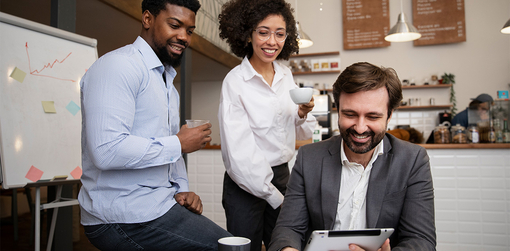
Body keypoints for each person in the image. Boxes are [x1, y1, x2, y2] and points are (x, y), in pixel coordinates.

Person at [78, 0, 231, 250]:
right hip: (122, 216)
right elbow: (105, 151)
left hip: (159, 205)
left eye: (190, 31)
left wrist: (181, 190)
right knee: (228, 247)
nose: (183, 37)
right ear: (148, 19)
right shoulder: (117, 66)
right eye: (175, 25)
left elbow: (170, 151)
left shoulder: (167, 85)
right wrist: (178, 143)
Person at [269, 62, 436, 251]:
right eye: (350, 114)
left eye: (373, 117)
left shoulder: (413, 160)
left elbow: (421, 240)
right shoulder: (309, 158)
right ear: (337, 111)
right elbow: (288, 228)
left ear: (389, 116)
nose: (360, 128)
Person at [217, 0, 317, 250]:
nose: (272, 41)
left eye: (280, 34)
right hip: (245, 184)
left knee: (286, 243)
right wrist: (276, 197)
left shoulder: (286, 75)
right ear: (247, 34)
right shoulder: (235, 82)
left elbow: (299, 127)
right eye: (263, 32)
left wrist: (302, 113)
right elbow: (240, 155)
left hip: (282, 175)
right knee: (246, 247)